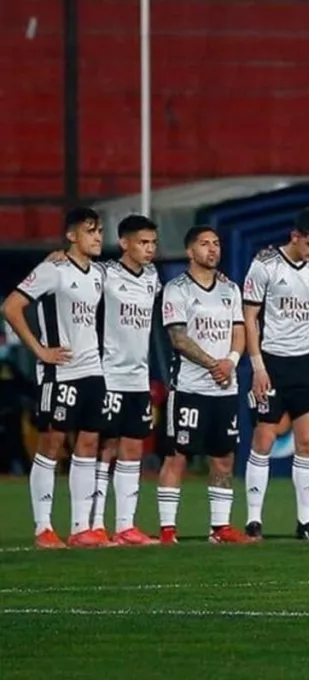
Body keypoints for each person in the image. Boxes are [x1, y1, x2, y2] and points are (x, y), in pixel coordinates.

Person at [52, 215, 161, 544]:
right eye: (143, 242)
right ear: (125, 243)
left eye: (154, 243)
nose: (150, 249)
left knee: (132, 447)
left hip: (138, 378)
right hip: (108, 375)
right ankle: (95, 522)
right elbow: (74, 268)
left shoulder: (153, 277)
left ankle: (125, 526)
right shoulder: (105, 273)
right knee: (105, 447)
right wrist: (55, 256)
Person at [3, 208, 108, 548]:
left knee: (89, 443)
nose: (97, 237)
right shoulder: (53, 270)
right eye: (90, 231)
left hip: (93, 371)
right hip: (60, 371)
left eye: (100, 232)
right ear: (71, 236)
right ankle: (43, 527)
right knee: (52, 443)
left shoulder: (99, 273)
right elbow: (11, 307)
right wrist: (40, 351)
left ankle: (80, 527)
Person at [241, 208, 309, 541]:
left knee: (307, 443)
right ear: (294, 236)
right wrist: (257, 367)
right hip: (272, 362)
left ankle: (306, 522)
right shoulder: (265, 265)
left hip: (305, 364)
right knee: (264, 439)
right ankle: (254, 520)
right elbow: (249, 317)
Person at [158, 226, 248, 544]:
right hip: (189, 387)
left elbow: (240, 331)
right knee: (177, 455)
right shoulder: (176, 289)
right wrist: (214, 364)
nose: (212, 249)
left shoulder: (230, 289)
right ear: (189, 251)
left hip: (225, 387)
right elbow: (178, 339)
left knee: (224, 457)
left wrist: (232, 362)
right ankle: (168, 530)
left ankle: (220, 528)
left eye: (216, 243)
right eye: (204, 244)